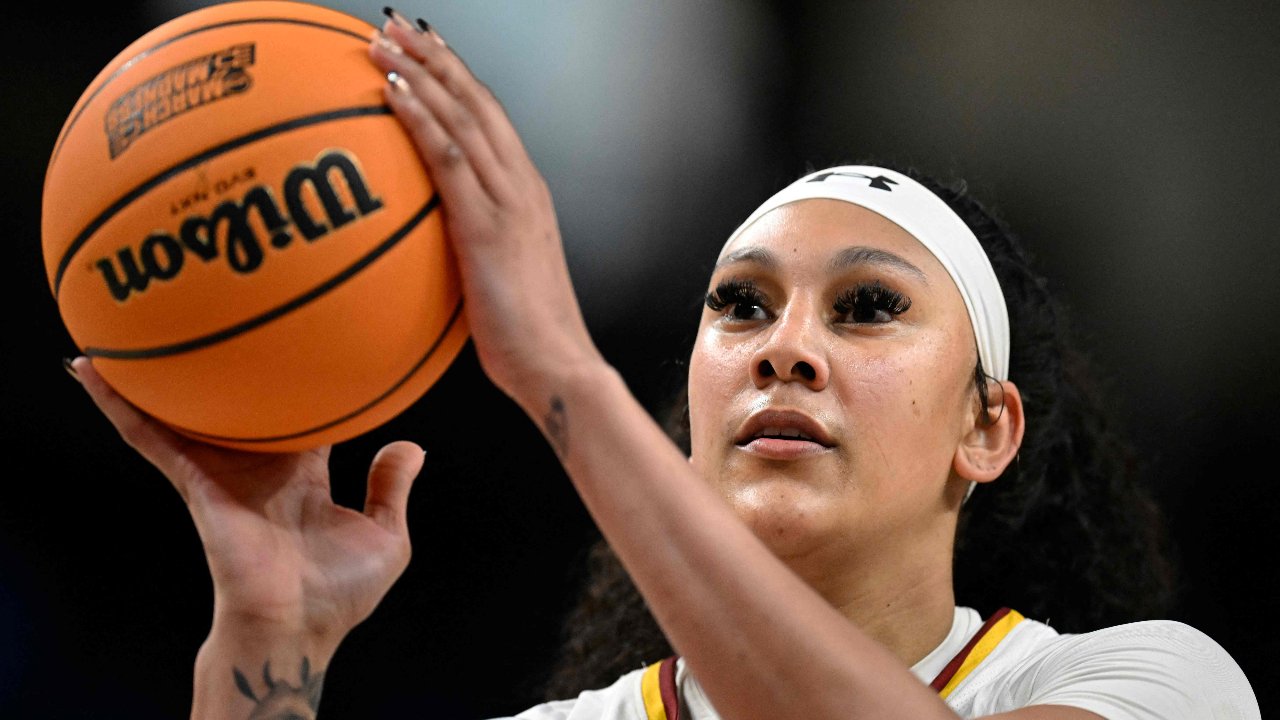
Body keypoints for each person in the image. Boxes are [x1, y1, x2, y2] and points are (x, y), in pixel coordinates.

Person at [65, 9, 1260, 720]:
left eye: (866, 309)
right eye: (739, 307)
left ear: (984, 427)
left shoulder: (1151, 685)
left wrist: (560, 372)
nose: (783, 347)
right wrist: (265, 639)